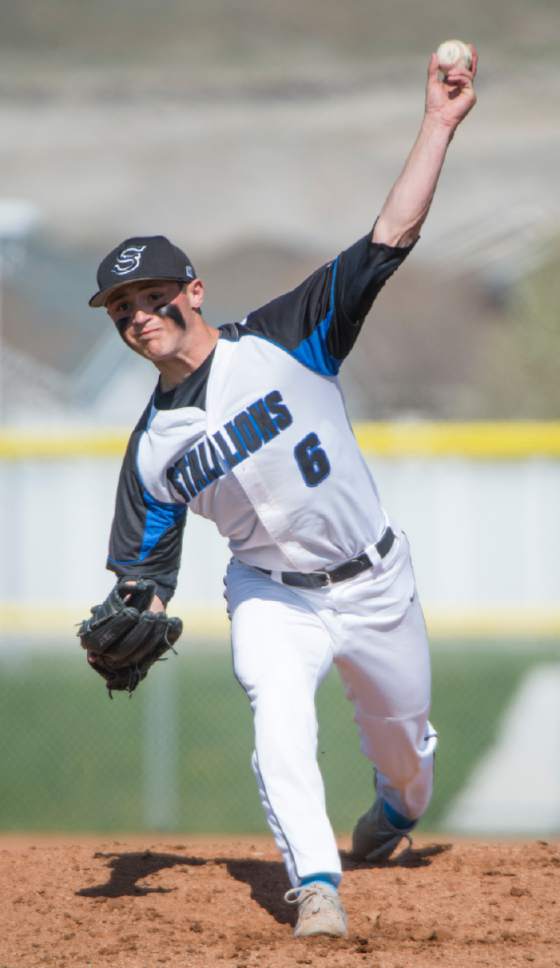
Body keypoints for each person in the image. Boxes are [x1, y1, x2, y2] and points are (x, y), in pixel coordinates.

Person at [87, 50, 477, 939]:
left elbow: (389, 235)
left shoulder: (286, 338)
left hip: (376, 581)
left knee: (406, 749)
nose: (140, 314)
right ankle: (316, 886)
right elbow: (145, 571)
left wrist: (440, 124)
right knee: (279, 715)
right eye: (122, 309)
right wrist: (129, 609)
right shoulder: (152, 449)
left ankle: (397, 811)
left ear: (195, 291)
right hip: (271, 594)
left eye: (153, 295)